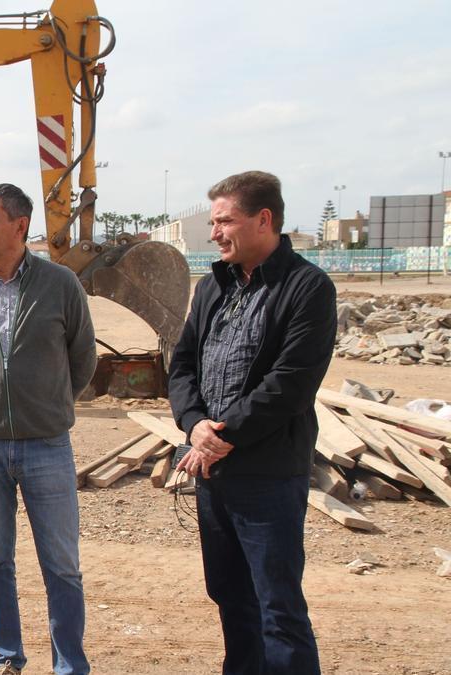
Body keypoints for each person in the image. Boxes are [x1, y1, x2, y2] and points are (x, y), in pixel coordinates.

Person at [168, 170, 336, 675]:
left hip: (267, 475)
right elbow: (182, 365)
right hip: (213, 472)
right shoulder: (213, 286)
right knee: (230, 597)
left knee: (277, 607)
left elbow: (290, 383)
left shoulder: (307, 288)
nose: (215, 232)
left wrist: (220, 437)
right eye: (215, 222)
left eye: (225, 221)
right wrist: (195, 423)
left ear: (264, 220)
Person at [0, 183, 96, 675]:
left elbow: (82, 359)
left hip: (47, 445)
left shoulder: (60, 284)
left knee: (61, 566)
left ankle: (70, 664)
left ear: (20, 226)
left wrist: (47, 405)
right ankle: (8, 655)